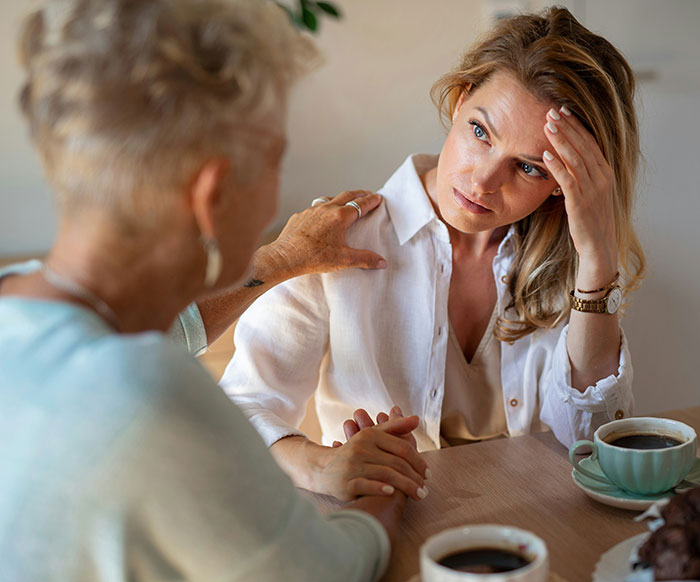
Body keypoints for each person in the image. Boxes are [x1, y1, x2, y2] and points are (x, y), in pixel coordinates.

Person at [0, 1, 428, 582]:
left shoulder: (19, 306)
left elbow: (156, 332)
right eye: (277, 161)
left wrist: (280, 260)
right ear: (213, 194)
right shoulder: (148, 394)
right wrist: (383, 491)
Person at [217, 7, 646, 501]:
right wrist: (321, 465)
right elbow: (239, 406)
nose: (483, 181)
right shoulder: (335, 240)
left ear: (561, 186)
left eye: (529, 168)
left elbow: (590, 447)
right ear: (460, 101)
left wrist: (596, 263)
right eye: (480, 132)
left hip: (533, 529)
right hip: (384, 525)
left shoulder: (572, 263)